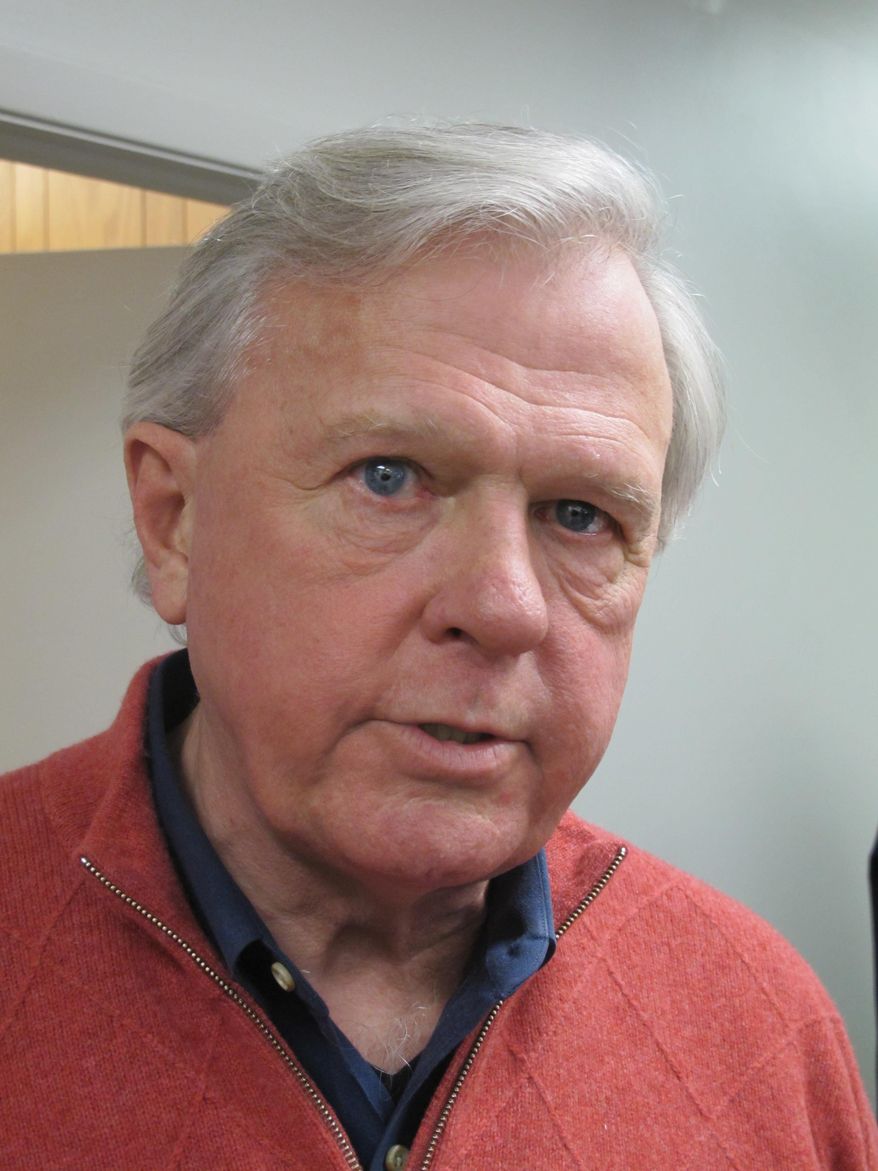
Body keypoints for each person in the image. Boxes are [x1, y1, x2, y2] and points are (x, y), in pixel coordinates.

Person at [1, 124, 875, 1171]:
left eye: (578, 514)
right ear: (175, 518)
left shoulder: (754, 1018)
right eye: (388, 476)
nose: (505, 606)